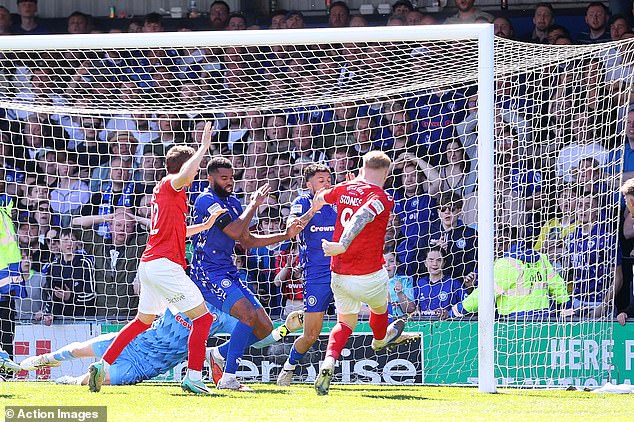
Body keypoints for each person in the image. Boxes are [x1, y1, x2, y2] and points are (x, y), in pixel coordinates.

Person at [87, 122, 226, 395]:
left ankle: (103, 365)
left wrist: (206, 225)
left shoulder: (170, 194)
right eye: (194, 168)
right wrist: (203, 147)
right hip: (164, 265)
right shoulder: (170, 184)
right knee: (203, 319)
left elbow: (178, 231)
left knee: (143, 321)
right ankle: (194, 377)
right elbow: (185, 172)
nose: (196, 173)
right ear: (183, 168)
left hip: (150, 264)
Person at [190, 156, 303, 390]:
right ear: (210, 178)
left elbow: (247, 241)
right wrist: (253, 205)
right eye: (224, 178)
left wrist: (285, 235)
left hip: (227, 270)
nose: (229, 182)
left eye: (231, 178)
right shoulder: (206, 199)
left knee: (265, 328)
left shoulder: (234, 203)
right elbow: (233, 231)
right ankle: (229, 378)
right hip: (208, 272)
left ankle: (217, 354)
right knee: (247, 316)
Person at [20, 302, 304, 386]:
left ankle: (71, 381)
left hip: (146, 366)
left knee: (92, 380)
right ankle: (44, 360)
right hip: (133, 342)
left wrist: (285, 329)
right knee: (76, 349)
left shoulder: (222, 317)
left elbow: (255, 342)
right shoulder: (180, 293)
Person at [311, 151, 405, 396]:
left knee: (345, 323)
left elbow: (320, 196)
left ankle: (329, 361)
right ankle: (380, 340)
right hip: (368, 274)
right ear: (386, 173)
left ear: (362, 168)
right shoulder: (382, 197)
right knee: (380, 309)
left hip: (339, 273)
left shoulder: (344, 188)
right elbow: (362, 216)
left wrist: (325, 199)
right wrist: (343, 244)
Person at [276, 164, 337, 387]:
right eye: (321, 181)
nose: (327, 184)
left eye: (329, 180)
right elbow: (292, 229)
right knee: (311, 335)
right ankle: (289, 367)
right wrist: (314, 209)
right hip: (316, 275)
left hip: (343, 270)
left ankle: (387, 333)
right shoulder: (302, 202)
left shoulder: (338, 200)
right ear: (309, 185)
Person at [451, 245, 571, 319]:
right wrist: (566, 306)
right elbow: (557, 285)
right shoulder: (542, 259)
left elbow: (485, 294)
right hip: (543, 318)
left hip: (514, 320)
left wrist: (458, 310)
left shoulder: (506, 264)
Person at [416, 247, 467, 318]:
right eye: (431, 260)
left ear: (444, 263)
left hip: (448, 324)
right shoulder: (420, 283)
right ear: (425, 263)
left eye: (439, 260)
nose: (435, 264)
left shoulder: (453, 283)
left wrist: (449, 313)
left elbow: (466, 306)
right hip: (424, 324)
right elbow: (415, 307)